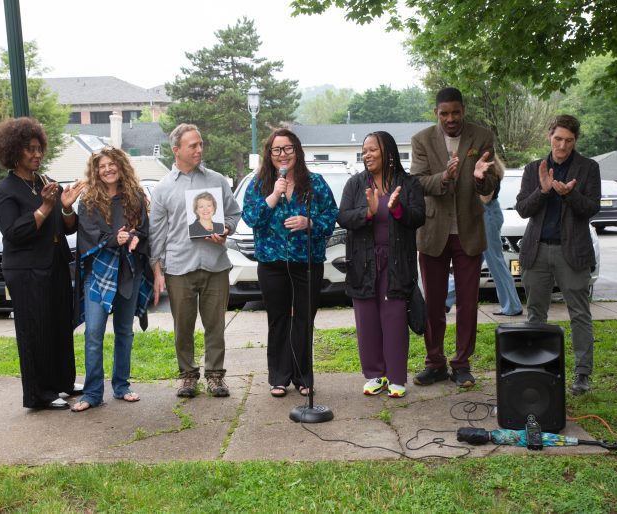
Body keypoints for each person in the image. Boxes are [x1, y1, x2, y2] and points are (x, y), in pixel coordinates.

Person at [0, 117, 85, 409]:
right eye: (29, 149)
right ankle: (40, 393)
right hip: (26, 270)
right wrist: (45, 207)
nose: (37, 154)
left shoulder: (45, 182)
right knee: (36, 330)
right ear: (13, 151)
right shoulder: (6, 189)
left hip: (55, 264)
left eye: (39, 148)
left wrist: (66, 208)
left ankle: (63, 382)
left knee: (60, 325)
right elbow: (14, 232)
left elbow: (68, 227)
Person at [410, 87, 500, 388]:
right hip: (433, 232)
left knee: (467, 304)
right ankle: (434, 363)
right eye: (444, 113)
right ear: (436, 113)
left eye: (456, 112)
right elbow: (418, 182)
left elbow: (491, 182)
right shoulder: (422, 140)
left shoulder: (482, 136)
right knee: (434, 304)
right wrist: (445, 177)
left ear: (463, 111)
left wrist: (480, 178)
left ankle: (462, 364)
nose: (451, 119)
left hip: (468, 232)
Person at [242, 128, 338, 398]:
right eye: (276, 150)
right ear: (269, 154)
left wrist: (310, 223)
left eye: (287, 148)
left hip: (307, 261)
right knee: (279, 319)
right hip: (272, 263)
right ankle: (279, 377)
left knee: (304, 320)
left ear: (297, 151)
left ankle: (303, 377)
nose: (282, 154)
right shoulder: (259, 184)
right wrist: (273, 196)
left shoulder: (315, 183)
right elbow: (250, 218)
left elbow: (332, 216)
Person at [149, 123, 241, 398]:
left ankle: (215, 376)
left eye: (200, 144)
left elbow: (234, 214)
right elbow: (157, 232)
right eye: (193, 146)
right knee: (183, 328)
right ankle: (188, 377)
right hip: (179, 268)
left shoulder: (217, 180)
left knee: (215, 326)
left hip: (215, 265)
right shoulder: (163, 188)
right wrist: (157, 270)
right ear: (176, 150)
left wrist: (226, 229)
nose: (200, 149)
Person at [515, 114, 601, 395]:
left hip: (572, 251)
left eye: (569, 140)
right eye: (558, 139)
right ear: (549, 136)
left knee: (580, 313)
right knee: (535, 314)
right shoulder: (533, 168)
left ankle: (582, 374)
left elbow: (591, 209)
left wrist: (567, 194)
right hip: (537, 250)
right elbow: (523, 209)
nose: (562, 145)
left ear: (575, 141)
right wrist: (543, 191)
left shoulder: (588, 168)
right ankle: (536, 370)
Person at [338, 131, 425, 398]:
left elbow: (418, 217)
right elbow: (343, 217)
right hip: (363, 261)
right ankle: (375, 375)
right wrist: (368, 212)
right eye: (364, 151)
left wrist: (398, 209)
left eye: (372, 149)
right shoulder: (356, 184)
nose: (367, 155)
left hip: (396, 261)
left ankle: (396, 377)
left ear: (387, 152)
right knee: (366, 319)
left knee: (394, 316)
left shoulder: (408, 183)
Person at [71, 147, 153, 412]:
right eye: (101, 166)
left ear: (121, 166)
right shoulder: (88, 200)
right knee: (93, 333)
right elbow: (87, 234)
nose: (107, 169)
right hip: (98, 274)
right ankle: (92, 392)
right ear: (96, 172)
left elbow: (144, 229)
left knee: (124, 332)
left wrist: (135, 237)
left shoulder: (135, 196)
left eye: (111, 164)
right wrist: (113, 240)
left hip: (129, 272)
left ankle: (121, 385)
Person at [446, 157, 523, 316]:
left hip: (487, 216)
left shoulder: (488, 170)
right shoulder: (487, 168)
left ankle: (512, 306)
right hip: (484, 216)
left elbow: (485, 198)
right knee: (471, 264)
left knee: (495, 262)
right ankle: (445, 299)